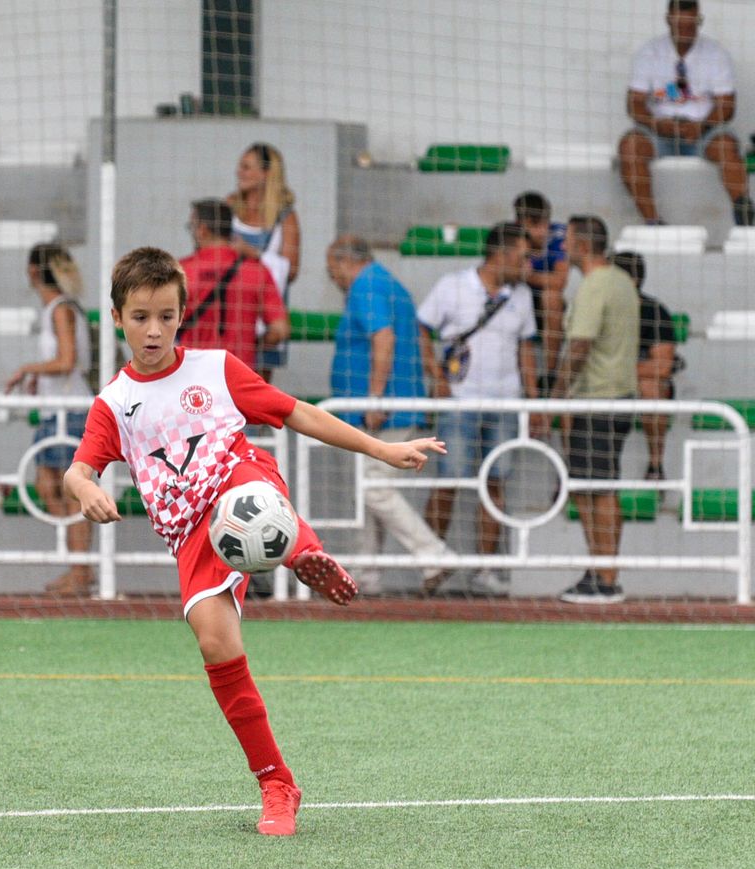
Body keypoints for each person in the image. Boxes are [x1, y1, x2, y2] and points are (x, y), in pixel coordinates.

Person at [62, 247, 443, 837]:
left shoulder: (216, 369)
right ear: (117, 318)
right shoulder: (115, 403)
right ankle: (276, 781)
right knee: (215, 644)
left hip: (238, 478)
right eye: (141, 317)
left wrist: (382, 448)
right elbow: (78, 468)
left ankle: (304, 552)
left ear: (183, 313)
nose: (154, 329)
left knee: (254, 500)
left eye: (166, 315)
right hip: (189, 531)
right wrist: (84, 488)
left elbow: (297, 413)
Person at [416, 223, 540, 597]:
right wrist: (436, 378)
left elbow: (526, 350)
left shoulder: (522, 297)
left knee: (495, 483)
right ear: (500, 254)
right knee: (449, 480)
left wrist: (534, 402)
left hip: (505, 401)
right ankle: (429, 562)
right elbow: (422, 328)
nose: (527, 265)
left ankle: (485, 568)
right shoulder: (452, 285)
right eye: (522, 257)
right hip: (459, 400)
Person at [326, 236, 454, 595]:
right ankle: (365, 573)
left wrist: (375, 398)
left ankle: (434, 554)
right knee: (366, 488)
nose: (333, 279)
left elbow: (383, 339)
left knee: (375, 488)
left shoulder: (366, 286)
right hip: (390, 407)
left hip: (383, 411)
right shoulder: (388, 283)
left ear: (344, 262)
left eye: (331, 270)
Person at [552, 217, 641, 604]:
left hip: (598, 400)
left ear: (583, 245)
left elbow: (580, 345)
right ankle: (600, 569)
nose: (563, 247)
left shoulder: (595, 285)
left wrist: (556, 394)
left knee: (598, 488)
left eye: (567, 240)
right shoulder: (622, 281)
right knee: (590, 487)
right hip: (616, 396)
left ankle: (606, 576)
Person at [3, 243, 95, 595]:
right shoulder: (58, 309)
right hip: (57, 407)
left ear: (32, 272)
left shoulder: (59, 310)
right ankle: (78, 561)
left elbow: (67, 359)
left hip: (70, 409)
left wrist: (28, 368)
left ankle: (80, 568)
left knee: (72, 492)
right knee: (47, 486)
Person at [618, 0, 753, 226]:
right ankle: (653, 222)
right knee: (629, 147)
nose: (687, 31)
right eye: (681, 24)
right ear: (668, 20)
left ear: (699, 21)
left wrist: (702, 126)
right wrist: (657, 124)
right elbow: (634, 104)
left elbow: (727, 106)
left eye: (692, 24)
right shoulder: (649, 52)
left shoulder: (715, 53)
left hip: (702, 132)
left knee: (727, 148)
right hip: (659, 132)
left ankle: (745, 217)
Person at [177, 198, 287, 370]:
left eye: (191, 227)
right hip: (239, 373)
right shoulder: (256, 270)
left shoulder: (182, 271)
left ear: (202, 230)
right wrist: (251, 344)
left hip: (192, 372)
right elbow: (280, 330)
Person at [226, 143, 301, 382]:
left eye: (247, 167)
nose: (240, 172)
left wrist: (253, 254)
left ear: (267, 173)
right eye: (240, 166)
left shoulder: (285, 217)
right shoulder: (229, 207)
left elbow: (291, 269)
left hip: (264, 312)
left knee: (256, 384)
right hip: (228, 309)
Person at [610, 251, 681, 482]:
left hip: (632, 380)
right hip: (605, 380)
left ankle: (656, 466)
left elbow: (662, 367)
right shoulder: (600, 308)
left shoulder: (654, 311)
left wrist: (616, 370)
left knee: (651, 386)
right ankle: (571, 468)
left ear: (632, 281)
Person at [513, 192, 570, 393]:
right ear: (520, 223)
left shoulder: (559, 235)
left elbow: (560, 281)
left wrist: (528, 277)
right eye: (535, 224)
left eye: (545, 222)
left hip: (543, 305)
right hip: (516, 300)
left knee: (551, 296)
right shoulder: (510, 239)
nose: (542, 230)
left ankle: (550, 373)